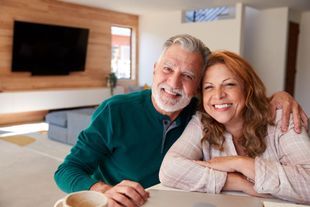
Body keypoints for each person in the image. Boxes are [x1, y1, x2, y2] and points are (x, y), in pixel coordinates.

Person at [54, 35, 308, 207]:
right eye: (167, 69)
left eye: (187, 75)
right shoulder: (115, 111)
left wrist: (280, 96)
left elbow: (237, 101)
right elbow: (66, 170)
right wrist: (103, 190)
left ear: (197, 86)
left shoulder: (203, 112)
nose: (174, 84)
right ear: (154, 69)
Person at [159, 50, 310, 204]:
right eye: (209, 87)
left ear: (248, 89)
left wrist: (239, 163)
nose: (218, 95)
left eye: (229, 84)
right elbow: (169, 170)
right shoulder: (202, 122)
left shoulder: (282, 117)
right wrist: (238, 182)